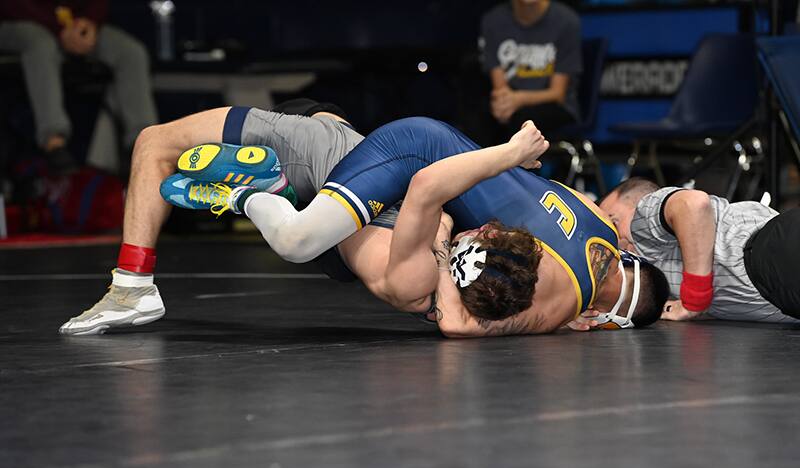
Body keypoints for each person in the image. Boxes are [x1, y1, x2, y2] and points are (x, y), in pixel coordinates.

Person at [60, 103, 669, 336]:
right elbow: (459, 326)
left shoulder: (597, 221)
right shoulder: (562, 305)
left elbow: (514, 195)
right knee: (299, 238)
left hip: (413, 173)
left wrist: (507, 160)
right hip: (413, 161)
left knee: (335, 224)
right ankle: (258, 191)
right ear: (607, 315)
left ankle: (290, 163)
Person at [599, 177, 800, 324]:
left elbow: (692, 204)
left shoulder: (643, 224)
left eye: (614, 223)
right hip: (782, 297)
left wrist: (695, 299)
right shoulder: (652, 272)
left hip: (773, 254)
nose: (613, 241)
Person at [0, 0, 157, 174]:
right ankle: (53, 141)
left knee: (131, 53)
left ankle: (144, 144)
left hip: (73, 25)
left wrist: (90, 23)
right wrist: (59, 29)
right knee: (39, 43)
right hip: (19, 22)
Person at [479, 0, 581, 138]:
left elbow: (557, 94)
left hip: (553, 105)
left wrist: (519, 99)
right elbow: (500, 90)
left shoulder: (567, 21)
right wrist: (504, 104)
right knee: (479, 115)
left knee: (524, 121)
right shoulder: (493, 20)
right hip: (509, 103)